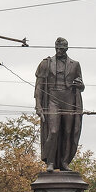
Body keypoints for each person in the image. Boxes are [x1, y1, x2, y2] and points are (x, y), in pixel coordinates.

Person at [34, 37, 84, 171]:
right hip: (53, 99)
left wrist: (80, 85)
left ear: (66, 49)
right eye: (57, 48)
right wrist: (38, 105)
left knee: (68, 131)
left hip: (69, 100)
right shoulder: (46, 63)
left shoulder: (75, 64)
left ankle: (64, 162)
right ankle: (50, 161)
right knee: (54, 130)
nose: (59, 51)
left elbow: (81, 86)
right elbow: (38, 86)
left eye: (61, 49)